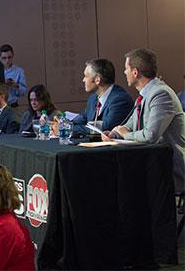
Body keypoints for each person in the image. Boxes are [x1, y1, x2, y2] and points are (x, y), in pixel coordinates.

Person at [105, 49, 185, 193]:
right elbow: (130, 124)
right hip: (151, 163)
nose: (124, 73)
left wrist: (124, 135)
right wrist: (115, 134)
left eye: (126, 69)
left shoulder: (161, 94)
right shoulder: (145, 94)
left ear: (135, 72)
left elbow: (150, 135)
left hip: (169, 167)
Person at [71, 58, 134, 135]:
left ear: (98, 80)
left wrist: (68, 129)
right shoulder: (93, 98)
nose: (83, 80)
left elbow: (103, 129)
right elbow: (80, 121)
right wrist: (63, 124)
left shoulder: (120, 100)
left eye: (86, 76)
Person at [0, 44, 27, 108]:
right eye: (4, 58)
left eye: (9, 57)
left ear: (13, 56)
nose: (7, 60)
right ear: (0, 58)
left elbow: (24, 92)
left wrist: (16, 86)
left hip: (13, 105)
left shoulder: (19, 71)